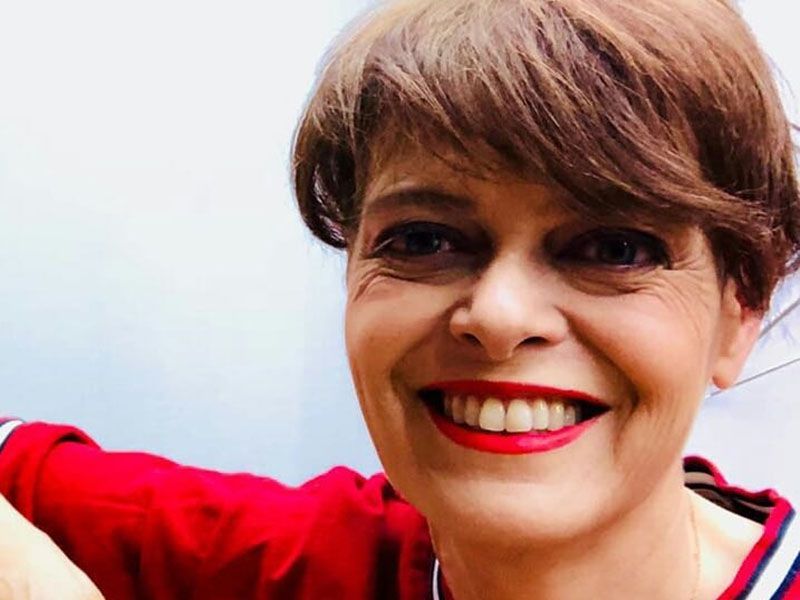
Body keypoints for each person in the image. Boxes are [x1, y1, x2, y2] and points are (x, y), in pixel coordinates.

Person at [1, 0, 799, 597]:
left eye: (614, 249)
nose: (499, 316)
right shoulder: (311, 560)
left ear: (740, 312)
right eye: (423, 240)